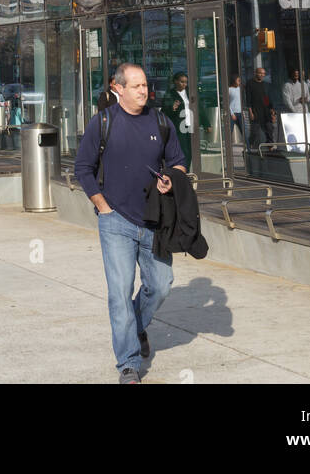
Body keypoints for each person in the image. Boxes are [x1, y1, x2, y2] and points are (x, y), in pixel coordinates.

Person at [75, 62, 187, 384]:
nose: (144, 91)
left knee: (161, 285)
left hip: (153, 220)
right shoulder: (104, 122)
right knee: (119, 294)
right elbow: (82, 168)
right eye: (136, 86)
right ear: (119, 89)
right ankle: (128, 364)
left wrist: (169, 177)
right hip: (115, 222)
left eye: (145, 85)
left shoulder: (161, 121)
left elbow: (178, 163)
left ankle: (135, 327)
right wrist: (102, 206)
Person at [161, 71, 192, 168]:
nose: (184, 84)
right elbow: (164, 110)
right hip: (179, 126)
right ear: (175, 82)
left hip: (190, 125)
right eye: (182, 82)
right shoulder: (170, 94)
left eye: (186, 82)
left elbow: (198, 106)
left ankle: (187, 170)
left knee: (190, 150)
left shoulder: (190, 92)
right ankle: (183, 171)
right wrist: (172, 108)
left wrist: (206, 123)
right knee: (183, 150)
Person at [246, 66, 276, 146]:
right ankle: (249, 146)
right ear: (256, 73)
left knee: (269, 129)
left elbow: (266, 98)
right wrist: (250, 112)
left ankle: (270, 146)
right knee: (254, 132)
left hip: (265, 111)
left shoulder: (265, 84)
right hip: (255, 111)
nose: (262, 75)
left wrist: (271, 110)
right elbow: (248, 99)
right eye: (260, 73)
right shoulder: (250, 83)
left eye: (263, 74)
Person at [228, 74, 244, 143]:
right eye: (238, 81)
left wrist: (242, 112)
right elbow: (226, 103)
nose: (239, 82)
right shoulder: (229, 89)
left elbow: (241, 102)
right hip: (232, 114)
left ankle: (248, 149)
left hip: (240, 113)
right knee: (229, 132)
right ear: (234, 81)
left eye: (240, 81)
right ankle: (227, 148)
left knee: (244, 132)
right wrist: (232, 114)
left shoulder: (240, 89)